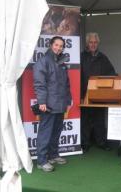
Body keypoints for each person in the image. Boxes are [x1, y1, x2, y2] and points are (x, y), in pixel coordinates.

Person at [33, 36, 72, 172]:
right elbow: (39, 84)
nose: (58, 48)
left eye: (61, 46)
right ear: (50, 45)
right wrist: (42, 101)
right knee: (45, 132)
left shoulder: (62, 62)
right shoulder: (43, 61)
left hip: (60, 104)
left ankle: (53, 155)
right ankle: (42, 160)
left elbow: (66, 85)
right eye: (56, 45)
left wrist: (68, 101)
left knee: (56, 131)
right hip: (48, 105)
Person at [80, 32, 116, 152]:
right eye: (91, 42)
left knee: (99, 119)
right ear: (87, 43)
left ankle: (101, 142)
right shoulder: (81, 57)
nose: (93, 44)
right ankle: (85, 143)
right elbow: (76, 76)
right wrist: (80, 94)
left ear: (98, 43)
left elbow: (111, 73)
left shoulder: (103, 57)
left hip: (100, 95)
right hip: (85, 95)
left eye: (95, 42)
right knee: (84, 120)